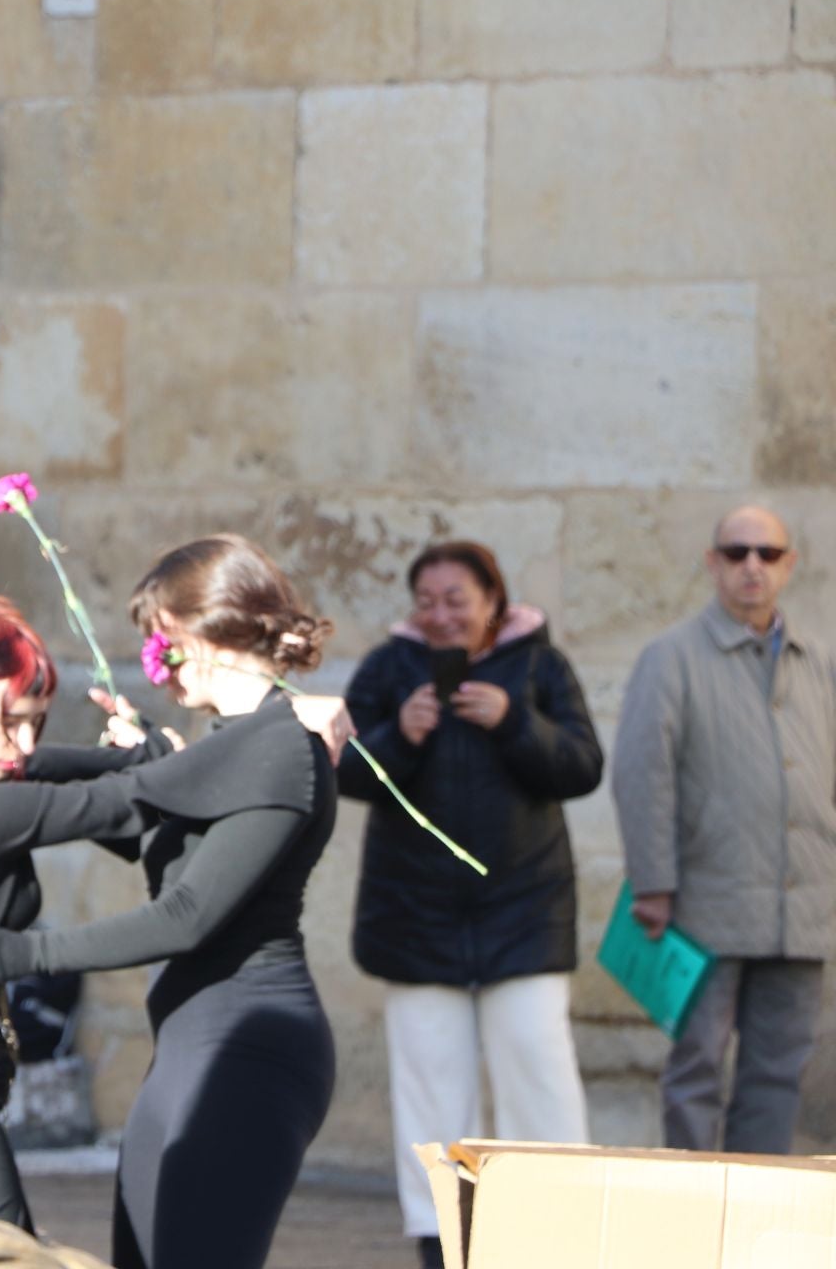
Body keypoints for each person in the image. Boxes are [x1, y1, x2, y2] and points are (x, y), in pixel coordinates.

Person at [0, 536, 340, 1269]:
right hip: (189, 1043)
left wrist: (13, 955)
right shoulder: (233, 740)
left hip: (250, 1046)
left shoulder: (281, 747)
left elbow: (185, 915)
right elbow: (132, 799)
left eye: (159, 641)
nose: (155, 660)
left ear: (197, 631)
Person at [339, 541, 602, 1268]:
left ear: (494, 600)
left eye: (457, 599)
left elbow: (582, 766)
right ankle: (443, 1241)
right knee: (431, 1096)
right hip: (416, 918)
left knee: (539, 1078)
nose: (441, 615)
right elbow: (343, 771)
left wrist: (515, 720)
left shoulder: (539, 666)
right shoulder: (390, 668)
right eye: (428, 601)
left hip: (525, 911)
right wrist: (402, 734)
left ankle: (557, 1238)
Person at [613, 506, 836, 1156]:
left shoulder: (819, 662)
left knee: (779, 1069)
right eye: (737, 552)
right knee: (699, 1066)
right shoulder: (671, 657)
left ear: (789, 566)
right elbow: (642, 773)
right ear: (713, 563)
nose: (751, 567)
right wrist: (653, 881)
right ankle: (690, 1207)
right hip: (706, 901)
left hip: (804, 903)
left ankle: (758, 1214)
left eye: (767, 554)